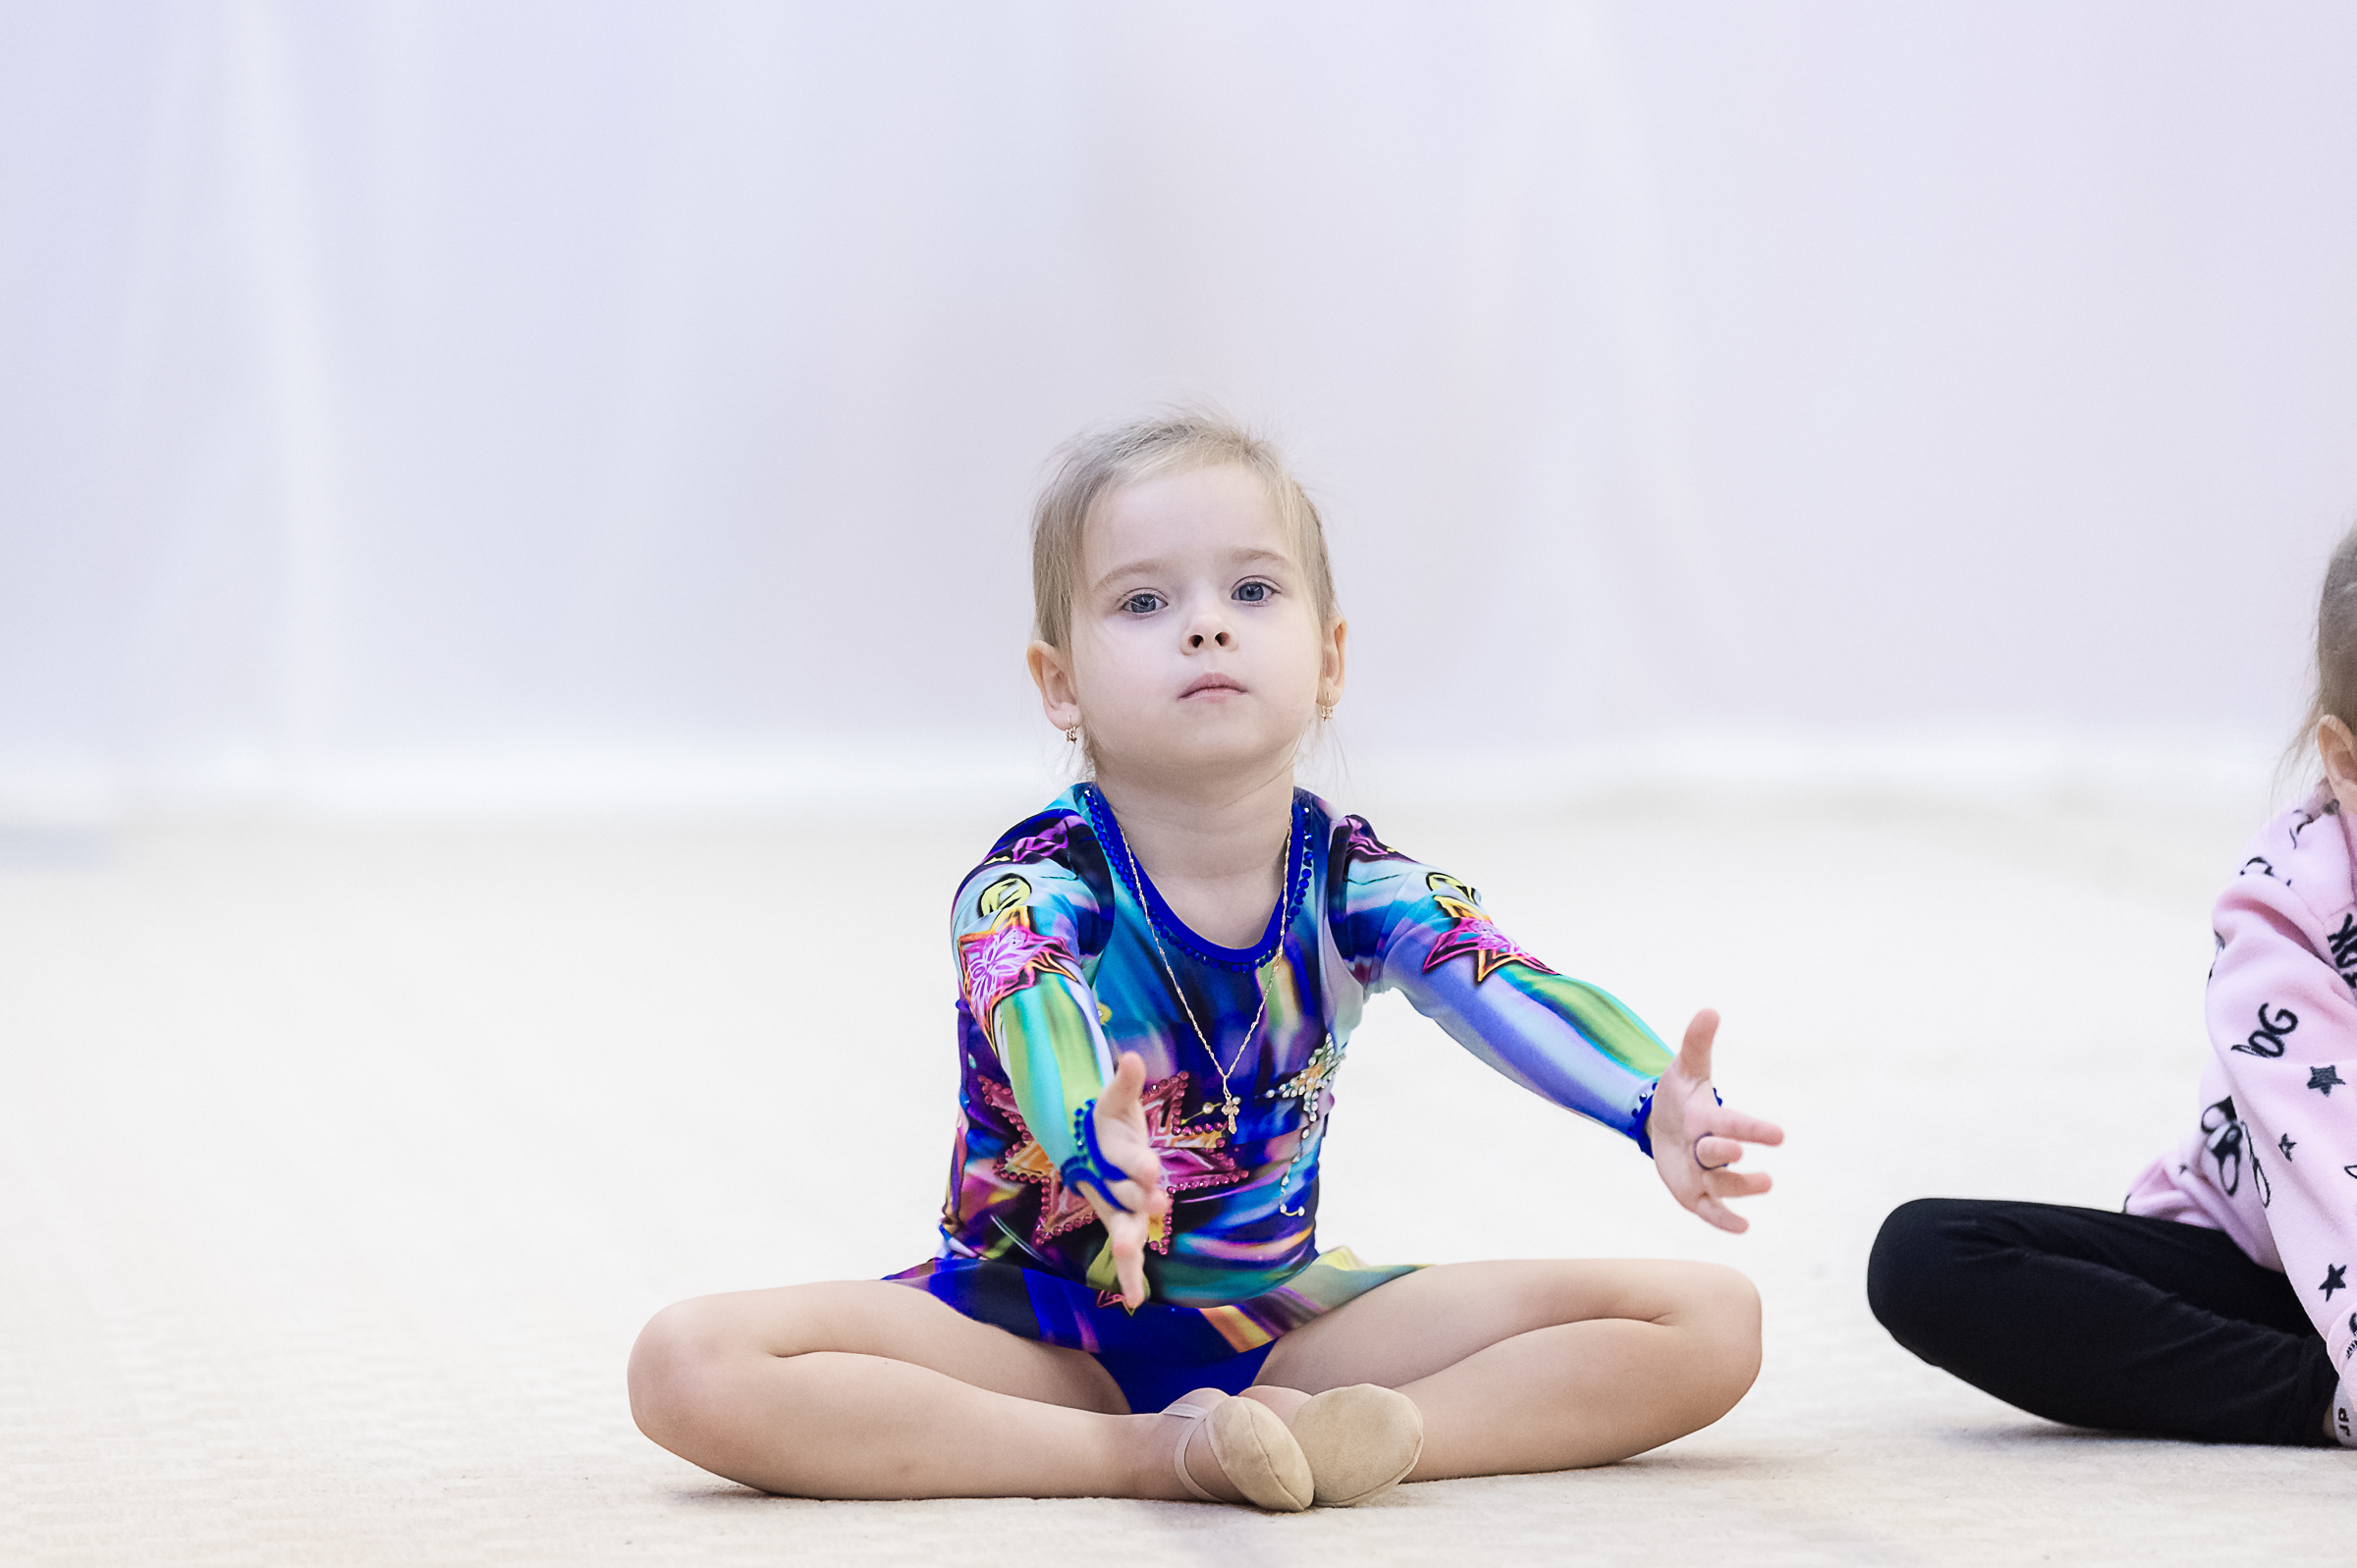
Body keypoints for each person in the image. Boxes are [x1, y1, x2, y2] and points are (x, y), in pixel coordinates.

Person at [627, 410, 1784, 1508]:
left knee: (1710, 1321)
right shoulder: (1033, 884)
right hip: (1032, 1328)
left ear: (1329, 660)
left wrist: (1652, 1100)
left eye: (1252, 588)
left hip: (1281, 1325)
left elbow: (1497, 975)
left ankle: (1362, 1441)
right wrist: (1092, 1130)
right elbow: (1034, 1001)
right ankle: (1146, 1456)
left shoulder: (1351, 881)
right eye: (1143, 600)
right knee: (691, 1362)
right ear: (1060, 683)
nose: (1206, 623)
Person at [1870, 523, 2357, 1450]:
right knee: (1924, 1258)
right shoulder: (2284, 916)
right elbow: (2331, 1171)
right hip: (2275, 1258)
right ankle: (2319, 1400)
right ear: (2346, 760)